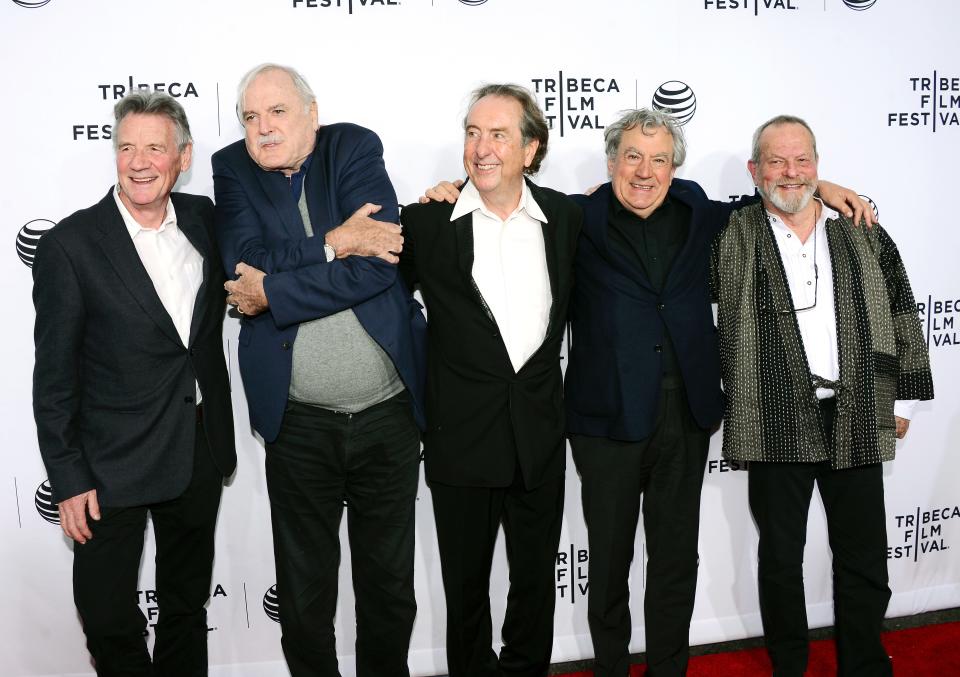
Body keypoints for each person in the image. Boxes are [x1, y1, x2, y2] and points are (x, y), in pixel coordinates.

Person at [424, 108, 870, 677]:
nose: (644, 171)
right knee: (608, 566)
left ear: (673, 168)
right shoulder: (571, 216)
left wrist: (823, 187)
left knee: (675, 563)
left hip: (685, 417)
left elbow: (771, 197)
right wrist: (454, 187)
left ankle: (668, 670)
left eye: (658, 159)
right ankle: (611, 667)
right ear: (611, 161)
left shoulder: (699, 210)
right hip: (604, 421)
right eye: (632, 156)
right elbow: (501, 191)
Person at [211, 63, 426, 677]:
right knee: (304, 596)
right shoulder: (232, 169)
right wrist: (334, 243)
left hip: (386, 416)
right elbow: (244, 262)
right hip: (299, 423)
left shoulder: (354, 146)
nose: (263, 128)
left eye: (277, 112)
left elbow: (379, 261)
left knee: (388, 588)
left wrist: (276, 293)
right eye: (251, 117)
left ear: (312, 112)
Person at [712, 115, 934, 677]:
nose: (791, 172)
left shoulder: (861, 229)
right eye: (777, 161)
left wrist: (900, 403)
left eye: (802, 160)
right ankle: (790, 666)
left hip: (858, 410)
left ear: (818, 164)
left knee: (863, 557)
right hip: (770, 413)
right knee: (781, 559)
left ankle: (863, 663)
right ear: (754, 170)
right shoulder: (730, 234)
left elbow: (905, 315)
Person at [32, 90, 236, 676]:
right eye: (126, 147)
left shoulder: (205, 220)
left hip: (196, 445)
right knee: (108, 617)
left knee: (185, 605)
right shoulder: (70, 246)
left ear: (184, 156)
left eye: (155, 147)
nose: (139, 161)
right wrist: (68, 476)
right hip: (107, 464)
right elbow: (53, 378)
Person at [399, 84, 581, 677]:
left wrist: (820, 192)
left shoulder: (568, 219)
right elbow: (376, 302)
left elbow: (659, 196)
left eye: (498, 134)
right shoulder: (425, 224)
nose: (481, 148)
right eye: (473, 133)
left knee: (534, 591)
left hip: (539, 439)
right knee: (466, 595)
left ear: (531, 149)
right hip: (460, 441)